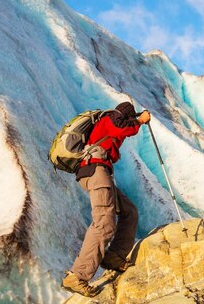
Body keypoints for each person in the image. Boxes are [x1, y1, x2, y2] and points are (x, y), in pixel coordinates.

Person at [61, 101, 151, 297]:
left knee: (129, 212)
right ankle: (77, 276)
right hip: (96, 171)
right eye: (130, 117)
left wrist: (136, 121)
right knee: (104, 224)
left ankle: (113, 257)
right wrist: (141, 121)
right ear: (126, 116)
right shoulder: (112, 118)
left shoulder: (111, 120)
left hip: (98, 173)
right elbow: (120, 128)